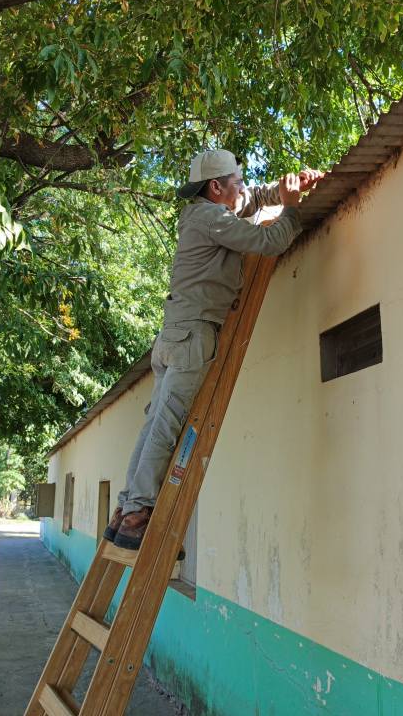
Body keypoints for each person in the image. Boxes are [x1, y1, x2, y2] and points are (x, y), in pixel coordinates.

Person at [103, 148, 323, 551]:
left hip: (175, 335)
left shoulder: (207, 214)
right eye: (236, 180)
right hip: (193, 336)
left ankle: (125, 510)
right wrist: (291, 209)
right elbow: (269, 240)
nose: (243, 185)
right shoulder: (210, 218)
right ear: (216, 187)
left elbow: (253, 198)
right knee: (167, 424)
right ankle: (137, 513)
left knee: (155, 422)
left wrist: (288, 188)